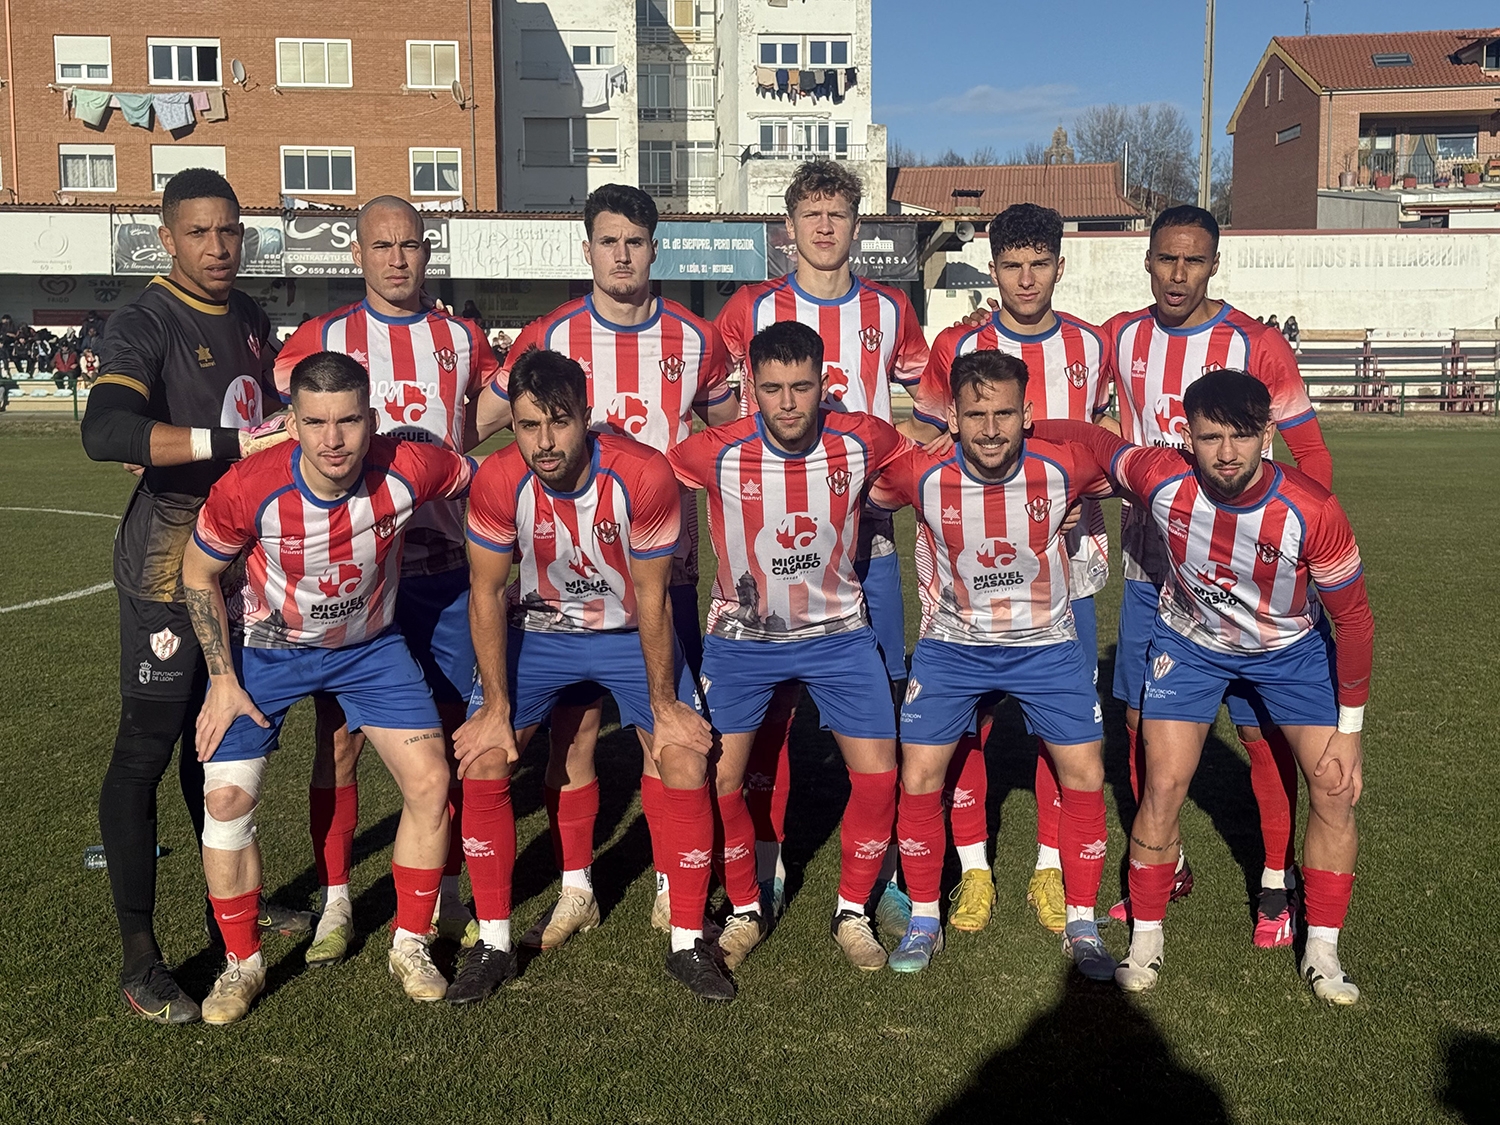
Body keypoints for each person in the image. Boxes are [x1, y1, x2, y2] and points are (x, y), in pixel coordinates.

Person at [1033, 370, 1372, 1005]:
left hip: (1289, 653)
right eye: (1210, 436)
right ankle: (1147, 940)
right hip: (1191, 647)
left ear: (1267, 434)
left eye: (1242, 436)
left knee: (1333, 787)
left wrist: (1350, 734)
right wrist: (1009, 430)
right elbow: (1092, 440)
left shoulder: (1312, 509)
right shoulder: (1163, 478)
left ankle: (1322, 951)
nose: (1226, 453)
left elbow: (1353, 620)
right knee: (1162, 784)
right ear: (1187, 436)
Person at [475, 184, 739, 947]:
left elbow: (728, 434)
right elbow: (485, 424)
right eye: (608, 241)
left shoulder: (695, 336)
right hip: (558, 585)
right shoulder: (549, 332)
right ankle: (578, 889)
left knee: (669, 734)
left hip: (665, 571)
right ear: (586, 249)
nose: (622, 254)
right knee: (574, 736)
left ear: (655, 248)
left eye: (635, 241)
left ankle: (668, 884)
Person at [181, 350, 477, 1023]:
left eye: (348, 420)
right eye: (315, 422)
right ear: (293, 421)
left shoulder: (409, 467)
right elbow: (197, 573)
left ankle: (410, 941)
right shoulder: (248, 486)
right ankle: (242, 963)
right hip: (268, 654)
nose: (333, 439)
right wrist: (222, 680)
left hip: (371, 650)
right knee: (225, 800)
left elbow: (484, 481)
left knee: (432, 782)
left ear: (371, 419)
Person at [79, 168, 297, 1024]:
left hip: (237, 554)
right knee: (150, 742)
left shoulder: (247, 315)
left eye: (230, 231)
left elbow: (271, 415)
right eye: (200, 233)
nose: (218, 247)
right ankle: (142, 954)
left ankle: (231, 902)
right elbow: (105, 431)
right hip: (171, 555)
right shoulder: (143, 318)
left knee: (219, 735)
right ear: (166, 237)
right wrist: (224, 439)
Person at [274, 195, 505, 971]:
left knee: (452, 737)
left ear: (427, 252)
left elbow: (496, 415)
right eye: (383, 245)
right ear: (357, 253)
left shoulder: (463, 338)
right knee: (336, 746)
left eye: (411, 245)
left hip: (441, 569)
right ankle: (336, 900)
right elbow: (280, 426)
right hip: (355, 576)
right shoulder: (323, 337)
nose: (398, 259)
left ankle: (445, 887)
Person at [456, 347, 727, 1001]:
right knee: (487, 755)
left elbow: (654, 594)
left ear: (586, 414)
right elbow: (487, 593)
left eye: (559, 421)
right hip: (539, 634)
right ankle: (496, 939)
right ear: (510, 425)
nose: (545, 443)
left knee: (685, 755)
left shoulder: (642, 473)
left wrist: (664, 705)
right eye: (527, 425)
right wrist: (495, 706)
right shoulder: (495, 480)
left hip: (628, 633)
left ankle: (688, 939)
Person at [1102, 205, 1334, 948]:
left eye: (1193, 260)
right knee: (1142, 722)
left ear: (1213, 263)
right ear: (1146, 259)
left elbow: (1312, 456)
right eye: (1166, 258)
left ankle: (1275, 880)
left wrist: (1310, 559)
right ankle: (1163, 861)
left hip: (1252, 578)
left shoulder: (1255, 343)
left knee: (1263, 733)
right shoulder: (1120, 336)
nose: (1178, 274)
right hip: (1152, 568)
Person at [713, 159, 934, 931]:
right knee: (766, 714)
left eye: (838, 213)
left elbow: (935, 403)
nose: (824, 227)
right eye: (811, 213)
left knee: (890, 695)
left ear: (857, 225)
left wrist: (911, 454)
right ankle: (766, 865)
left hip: (866, 541)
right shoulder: (749, 308)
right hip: (770, 547)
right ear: (788, 226)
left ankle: (899, 867)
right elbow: (710, 403)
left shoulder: (889, 309)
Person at [667, 320, 912, 972]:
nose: (787, 403)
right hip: (743, 640)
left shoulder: (863, 438)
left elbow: (923, 465)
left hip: (838, 636)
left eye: (800, 387)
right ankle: (747, 905)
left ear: (822, 382)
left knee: (881, 774)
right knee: (719, 777)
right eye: (771, 388)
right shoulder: (711, 450)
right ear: (752, 386)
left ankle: (852, 910)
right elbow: (643, 470)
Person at [872, 349, 1117, 977]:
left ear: (1027, 413)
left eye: (1005, 413)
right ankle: (925, 917)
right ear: (951, 416)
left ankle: (1083, 925)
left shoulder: (1065, 464)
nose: (990, 428)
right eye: (975, 414)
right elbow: (852, 470)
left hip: (1045, 643)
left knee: (1086, 772)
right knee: (920, 772)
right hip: (953, 645)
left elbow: (1131, 457)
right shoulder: (920, 474)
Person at [906, 202, 1114, 936]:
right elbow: (927, 439)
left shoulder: (1092, 345)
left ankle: (1052, 870)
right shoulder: (959, 344)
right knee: (968, 730)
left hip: (1066, 565)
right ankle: (974, 872)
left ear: (1060, 265)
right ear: (993, 269)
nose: (1026, 279)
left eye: (1039, 264)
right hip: (969, 573)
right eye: (1011, 266)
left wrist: (1076, 496)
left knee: (1068, 733)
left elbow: (1106, 442)